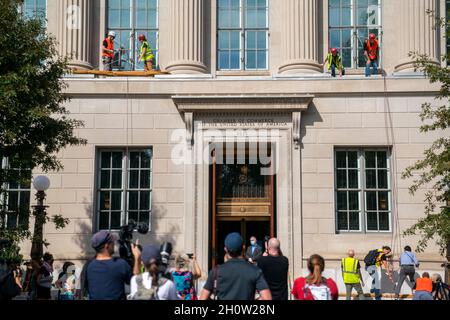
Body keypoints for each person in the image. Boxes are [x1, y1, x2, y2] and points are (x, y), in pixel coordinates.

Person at [200, 232, 272, 300]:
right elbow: (267, 298)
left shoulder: (216, 271)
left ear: (225, 249)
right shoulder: (255, 270)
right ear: (243, 248)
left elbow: (203, 298)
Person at [81, 230, 141, 300]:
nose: (114, 244)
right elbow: (136, 282)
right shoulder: (120, 264)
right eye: (112, 242)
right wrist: (137, 258)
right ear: (107, 245)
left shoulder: (88, 266)